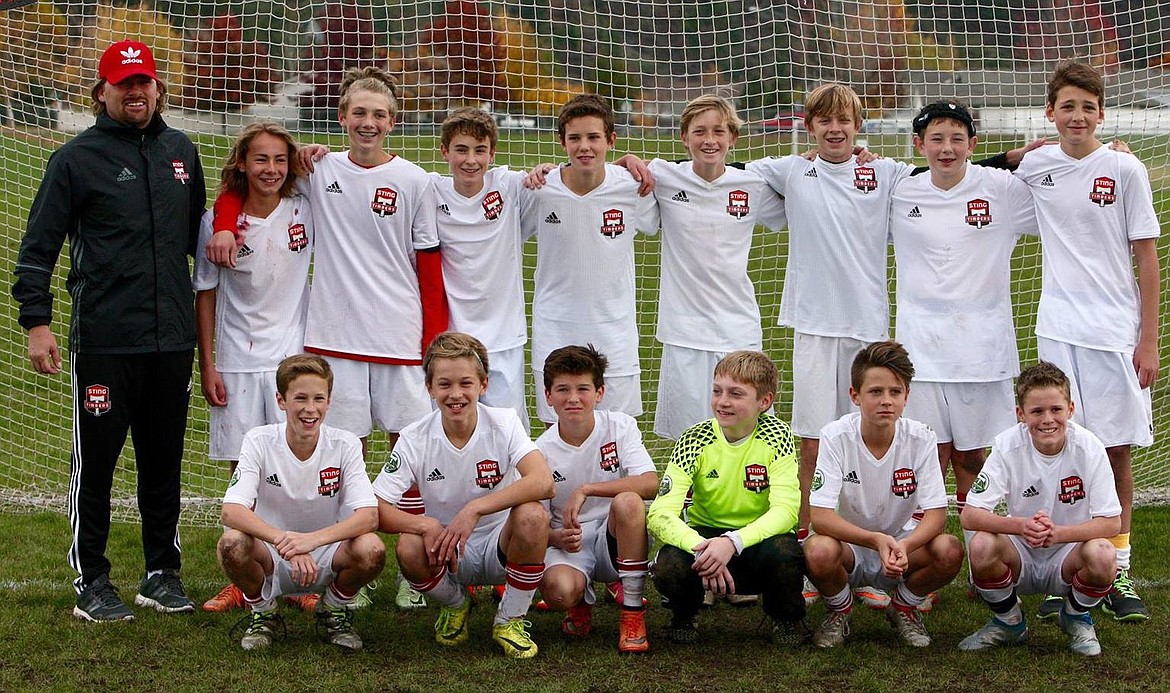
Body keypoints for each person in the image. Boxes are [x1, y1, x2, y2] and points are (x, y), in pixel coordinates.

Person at [12, 40, 205, 621]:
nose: (136, 91)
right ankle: (91, 581)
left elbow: (202, 228)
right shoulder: (75, 158)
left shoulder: (180, 150)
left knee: (163, 459)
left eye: (144, 81)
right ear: (102, 92)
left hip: (171, 338)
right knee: (95, 463)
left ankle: (161, 574)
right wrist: (37, 322)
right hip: (102, 338)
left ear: (158, 88)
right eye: (123, 84)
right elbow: (38, 247)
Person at [209, 66, 447, 453]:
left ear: (392, 122)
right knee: (342, 450)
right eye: (359, 113)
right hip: (335, 338)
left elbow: (430, 267)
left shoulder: (415, 180)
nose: (367, 123)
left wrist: (431, 340)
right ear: (341, 117)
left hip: (399, 336)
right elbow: (245, 187)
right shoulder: (318, 169)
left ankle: (408, 515)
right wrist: (222, 224)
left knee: (410, 449)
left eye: (378, 115)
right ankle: (353, 515)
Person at [1014, 61, 1160, 622]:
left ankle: (1116, 569)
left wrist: (1148, 339)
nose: (1078, 116)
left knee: (1116, 450)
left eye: (1088, 107)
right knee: (1061, 447)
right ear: (1050, 113)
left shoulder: (1125, 169)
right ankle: (1066, 569)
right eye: (1067, 106)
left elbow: (1146, 258)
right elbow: (970, 169)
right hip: (1057, 330)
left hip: (1114, 333)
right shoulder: (1037, 165)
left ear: (1102, 114)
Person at [888, 100, 1038, 516]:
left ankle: (982, 564)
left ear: (973, 143)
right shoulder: (901, 189)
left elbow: (1062, 194)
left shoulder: (1002, 189)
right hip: (920, 351)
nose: (947, 148)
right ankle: (920, 567)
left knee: (973, 460)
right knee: (928, 460)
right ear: (919, 144)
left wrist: (1110, 155)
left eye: (957, 138)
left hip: (982, 350)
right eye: (936, 138)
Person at [192, 121, 316, 614]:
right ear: (242, 163)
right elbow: (206, 295)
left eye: (280, 160)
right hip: (237, 362)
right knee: (243, 473)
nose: (272, 169)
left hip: (292, 362)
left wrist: (313, 151)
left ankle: (302, 575)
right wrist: (208, 364)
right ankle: (245, 582)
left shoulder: (304, 207)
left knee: (296, 469)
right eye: (260, 159)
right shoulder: (216, 223)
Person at [372, 332, 554, 658]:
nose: (455, 394)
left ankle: (510, 618)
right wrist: (425, 526)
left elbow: (543, 481)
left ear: (483, 385)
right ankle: (456, 604)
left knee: (533, 516)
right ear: (429, 388)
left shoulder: (504, 422)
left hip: (503, 546)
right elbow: (376, 509)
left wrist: (475, 509)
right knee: (408, 543)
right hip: (445, 549)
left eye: (465, 383)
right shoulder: (415, 438)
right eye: (444, 384)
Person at [218, 354, 385, 651]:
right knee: (231, 544)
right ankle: (264, 613)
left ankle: (333, 609)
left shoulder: (345, 443)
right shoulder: (258, 440)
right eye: (300, 398)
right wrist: (286, 542)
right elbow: (231, 511)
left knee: (371, 549)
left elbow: (369, 517)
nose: (310, 409)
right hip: (273, 551)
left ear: (329, 401)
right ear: (281, 401)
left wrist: (310, 541)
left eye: (319, 398)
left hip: (327, 552)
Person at [805, 341, 963, 648]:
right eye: (875, 392)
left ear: (907, 396)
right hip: (851, 545)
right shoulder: (835, 436)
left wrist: (905, 545)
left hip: (902, 547)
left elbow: (937, 514)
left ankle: (903, 607)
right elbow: (821, 517)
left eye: (895, 392)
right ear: (855, 396)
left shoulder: (922, 437)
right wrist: (876, 540)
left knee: (950, 550)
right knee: (817, 550)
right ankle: (840, 609)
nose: (886, 401)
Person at [647, 95, 787, 441]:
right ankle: (690, 496)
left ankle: (746, 496)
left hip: (736, 327)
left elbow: (801, 199)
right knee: (690, 437)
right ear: (684, 137)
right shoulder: (664, 177)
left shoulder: (752, 185)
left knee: (745, 434)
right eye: (699, 132)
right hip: (683, 331)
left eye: (718, 132)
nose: (709, 140)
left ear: (732, 138)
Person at [959, 361, 1120, 656]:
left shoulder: (1090, 447)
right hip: (1021, 550)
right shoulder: (1007, 446)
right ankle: (1009, 622)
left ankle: (1075, 617)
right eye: (1037, 411)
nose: (1047, 419)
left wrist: (1059, 533)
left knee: (1104, 554)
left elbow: (1111, 523)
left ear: (1070, 409)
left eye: (1056, 410)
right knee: (981, 545)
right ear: (1021, 414)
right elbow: (970, 514)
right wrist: (1020, 526)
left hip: (1067, 553)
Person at [647, 350, 806, 645]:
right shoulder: (694, 438)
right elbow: (660, 513)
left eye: (736, 394)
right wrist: (703, 550)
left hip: (754, 542)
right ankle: (683, 617)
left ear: (764, 401)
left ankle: (786, 620)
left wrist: (732, 542)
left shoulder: (778, 435)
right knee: (669, 562)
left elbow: (786, 512)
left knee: (786, 551)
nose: (723, 401)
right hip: (704, 541)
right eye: (717, 391)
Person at [522, 94, 659, 425]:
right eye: (575, 138)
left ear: (610, 140)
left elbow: (662, 216)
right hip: (556, 327)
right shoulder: (539, 189)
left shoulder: (632, 186)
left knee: (618, 432)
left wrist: (630, 163)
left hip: (614, 330)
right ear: (562, 142)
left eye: (594, 137)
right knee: (559, 432)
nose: (585, 146)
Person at [536, 344, 658, 653]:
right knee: (558, 592)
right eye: (562, 389)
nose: (573, 398)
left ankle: (632, 613)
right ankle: (579, 601)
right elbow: (532, 522)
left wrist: (587, 489)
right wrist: (555, 538)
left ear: (600, 392)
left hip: (613, 535)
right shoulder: (539, 451)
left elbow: (650, 483)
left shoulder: (620, 426)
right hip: (571, 544)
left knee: (628, 501)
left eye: (583, 388)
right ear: (548, 397)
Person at [434, 107, 530, 431]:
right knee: (454, 426)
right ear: (445, 151)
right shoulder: (430, 191)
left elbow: (563, 177)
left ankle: (517, 484)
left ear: (493, 153)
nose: (471, 160)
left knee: (508, 430)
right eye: (461, 150)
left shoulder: (510, 186)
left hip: (505, 336)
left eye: (480, 150)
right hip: (454, 338)